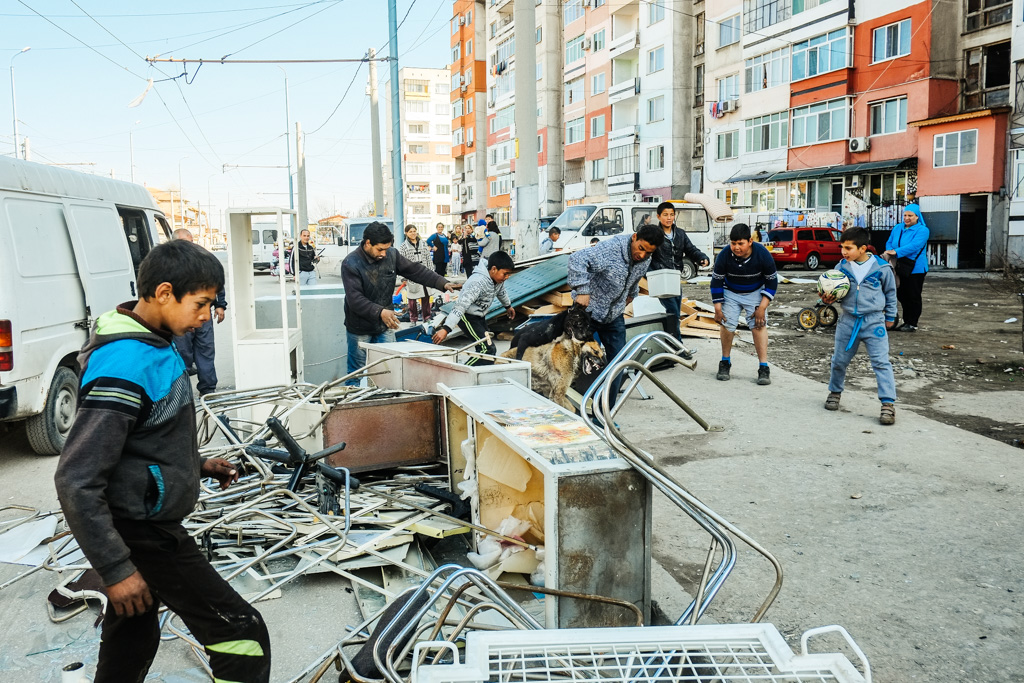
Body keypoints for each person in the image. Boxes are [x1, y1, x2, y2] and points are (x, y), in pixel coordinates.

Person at [54, 240, 270, 683]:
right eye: (202, 304)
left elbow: (145, 434)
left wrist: (195, 462)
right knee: (243, 637)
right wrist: (115, 569)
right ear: (165, 292)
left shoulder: (155, 341)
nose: (206, 316)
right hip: (142, 532)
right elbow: (77, 477)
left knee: (133, 635)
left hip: (143, 517)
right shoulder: (127, 361)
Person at [342, 222, 458, 381]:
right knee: (356, 373)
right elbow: (355, 299)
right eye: (380, 249)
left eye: (386, 249)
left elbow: (416, 271)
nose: (384, 254)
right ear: (367, 243)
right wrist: (380, 312)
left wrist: (441, 283)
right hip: (360, 328)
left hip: (385, 324)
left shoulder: (392, 255)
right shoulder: (351, 263)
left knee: (389, 370)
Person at [568, 225, 664, 400]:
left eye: (648, 253)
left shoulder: (645, 259)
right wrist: (582, 290)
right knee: (571, 359)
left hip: (613, 316)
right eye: (641, 248)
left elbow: (635, 278)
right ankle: (568, 405)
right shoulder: (611, 249)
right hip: (587, 313)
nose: (642, 255)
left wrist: (631, 295)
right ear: (634, 237)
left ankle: (606, 412)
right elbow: (576, 259)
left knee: (618, 363)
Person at [821, 227, 898, 425]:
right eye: (842, 247)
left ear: (863, 248)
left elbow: (890, 293)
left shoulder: (881, 268)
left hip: (874, 322)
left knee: (881, 363)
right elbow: (832, 293)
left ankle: (888, 404)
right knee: (838, 360)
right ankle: (835, 392)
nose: (843, 252)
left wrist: (890, 316)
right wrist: (827, 299)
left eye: (848, 248)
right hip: (848, 322)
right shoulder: (841, 268)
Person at [711, 223, 778, 386]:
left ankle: (763, 367)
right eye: (733, 243)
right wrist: (718, 309)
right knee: (728, 325)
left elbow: (772, 282)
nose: (736, 247)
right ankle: (725, 362)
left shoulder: (762, 254)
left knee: (759, 325)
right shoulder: (724, 255)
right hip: (731, 292)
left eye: (740, 243)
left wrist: (762, 307)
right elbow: (716, 282)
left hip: (755, 291)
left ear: (750, 241)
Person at [432, 251, 516, 365]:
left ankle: (480, 375)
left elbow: (501, 292)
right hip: (467, 317)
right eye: (505, 274)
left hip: (479, 317)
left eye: (508, 274)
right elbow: (460, 306)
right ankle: (463, 374)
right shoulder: (477, 282)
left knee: (489, 351)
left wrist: (508, 306)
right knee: (487, 350)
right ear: (494, 269)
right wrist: (446, 328)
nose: (507, 277)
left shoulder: (498, 280)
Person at [171, 229, 226, 397]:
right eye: (186, 242)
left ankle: (208, 390)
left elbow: (217, 281)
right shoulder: (168, 262)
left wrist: (220, 304)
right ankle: (182, 392)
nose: (191, 245)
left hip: (204, 314)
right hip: (180, 315)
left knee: (205, 351)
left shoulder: (204, 258)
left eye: (191, 241)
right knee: (183, 354)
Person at [649, 201, 710, 342]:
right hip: (660, 278)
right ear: (658, 216)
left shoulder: (680, 234)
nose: (669, 218)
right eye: (665, 215)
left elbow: (691, 249)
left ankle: (670, 343)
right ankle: (677, 344)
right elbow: (646, 255)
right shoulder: (654, 234)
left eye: (671, 214)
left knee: (674, 313)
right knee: (673, 312)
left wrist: (702, 258)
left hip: (675, 278)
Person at [885, 205, 929, 332]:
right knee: (901, 294)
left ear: (917, 216)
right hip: (899, 265)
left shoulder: (922, 230)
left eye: (910, 216)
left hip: (916, 268)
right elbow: (889, 241)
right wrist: (890, 250)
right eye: (905, 215)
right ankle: (906, 320)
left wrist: (896, 252)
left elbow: (914, 246)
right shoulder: (898, 228)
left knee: (913, 295)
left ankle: (912, 322)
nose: (907, 218)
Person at [397, 225, 434, 324]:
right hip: (411, 274)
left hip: (424, 273)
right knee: (412, 299)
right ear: (406, 233)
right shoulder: (403, 246)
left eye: (414, 231)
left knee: (426, 297)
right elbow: (401, 262)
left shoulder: (423, 243)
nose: (413, 233)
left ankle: (427, 317)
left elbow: (428, 258)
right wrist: (403, 277)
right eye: (410, 231)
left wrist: (432, 272)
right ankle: (413, 319)